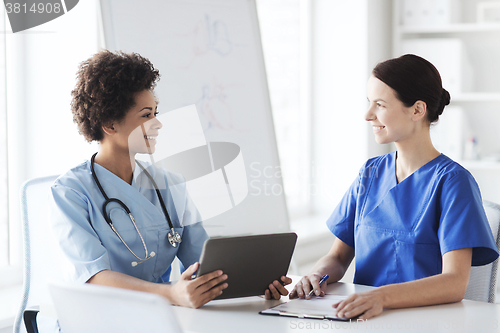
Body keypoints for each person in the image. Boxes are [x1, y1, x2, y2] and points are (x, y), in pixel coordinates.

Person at [50, 50, 289, 312]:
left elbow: (201, 263)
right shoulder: (71, 192)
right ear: (109, 124)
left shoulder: (170, 185)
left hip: (161, 316)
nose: (158, 124)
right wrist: (170, 293)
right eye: (146, 115)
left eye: (156, 112)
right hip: (99, 319)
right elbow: (93, 277)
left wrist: (255, 282)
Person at [289, 54, 499, 319]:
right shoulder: (370, 173)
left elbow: (454, 282)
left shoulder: (453, 182)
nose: (368, 115)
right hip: (364, 317)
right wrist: (317, 275)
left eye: (379, 104)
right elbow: (339, 257)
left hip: (425, 321)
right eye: (369, 103)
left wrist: (382, 296)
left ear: (417, 110)